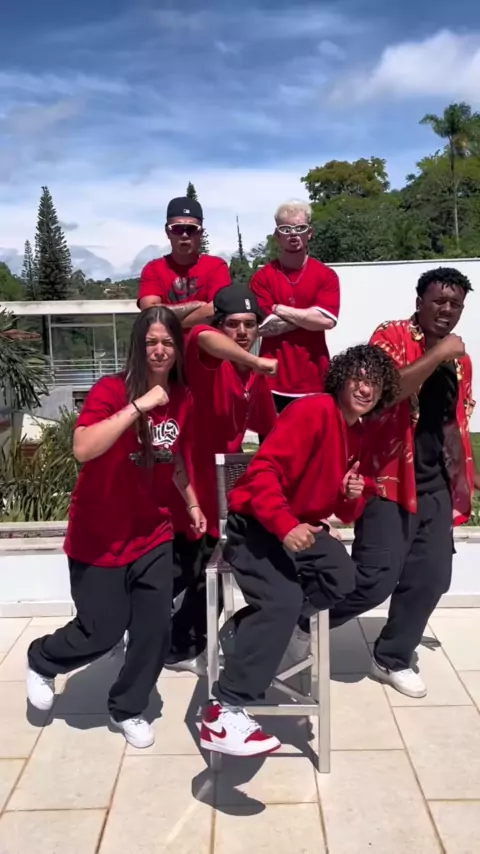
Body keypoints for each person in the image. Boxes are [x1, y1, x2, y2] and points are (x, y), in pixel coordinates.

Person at [200, 344, 400, 757]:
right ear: (341, 379)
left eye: (375, 383)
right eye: (358, 378)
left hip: (298, 527)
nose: (366, 389)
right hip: (257, 525)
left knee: (343, 577)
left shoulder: (356, 432)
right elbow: (263, 472)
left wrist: (350, 495)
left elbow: (341, 508)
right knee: (284, 600)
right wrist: (285, 524)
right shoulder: (312, 411)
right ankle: (225, 710)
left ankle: (252, 630)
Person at [26, 306, 206, 749]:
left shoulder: (183, 398)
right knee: (101, 631)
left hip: (152, 530)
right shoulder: (111, 390)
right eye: (151, 342)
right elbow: (83, 447)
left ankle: (127, 706)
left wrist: (192, 502)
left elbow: (174, 458)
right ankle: (43, 659)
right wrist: (139, 406)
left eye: (168, 342)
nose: (160, 350)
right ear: (138, 347)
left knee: (154, 629)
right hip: (99, 534)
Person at [328, 267, 479, 699]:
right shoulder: (391, 336)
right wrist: (437, 354)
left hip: (435, 484)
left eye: (455, 305)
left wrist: (463, 474)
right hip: (386, 480)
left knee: (432, 578)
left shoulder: (461, 361)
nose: (447, 310)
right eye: (439, 301)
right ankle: (298, 622)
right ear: (419, 303)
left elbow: (457, 420)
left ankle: (391, 657)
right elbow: (383, 393)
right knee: (373, 579)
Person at [166, 282, 278, 676]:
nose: (242, 332)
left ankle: (182, 647)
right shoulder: (209, 358)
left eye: (250, 324)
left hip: (219, 493)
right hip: (184, 489)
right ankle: (122, 624)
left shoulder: (253, 376)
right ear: (220, 325)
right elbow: (202, 336)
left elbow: (271, 432)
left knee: (204, 574)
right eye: (233, 324)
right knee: (177, 572)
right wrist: (258, 360)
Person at [250, 199, 339, 415]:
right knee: (272, 438)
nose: (293, 234)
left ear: (310, 233)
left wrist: (279, 309)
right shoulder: (262, 277)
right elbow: (263, 327)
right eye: (286, 229)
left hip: (315, 379)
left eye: (300, 228)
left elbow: (327, 321)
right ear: (277, 235)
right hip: (271, 379)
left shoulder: (326, 275)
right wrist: (310, 317)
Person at [137, 196, 231, 327]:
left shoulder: (216, 266)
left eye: (191, 229)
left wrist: (167, 322)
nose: (185, 235)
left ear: (201, 233)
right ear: (167, 232)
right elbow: (150, 312)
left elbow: (217, 310)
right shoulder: (153, 269)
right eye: (177, 229)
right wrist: (195, 305)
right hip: (166, 341)